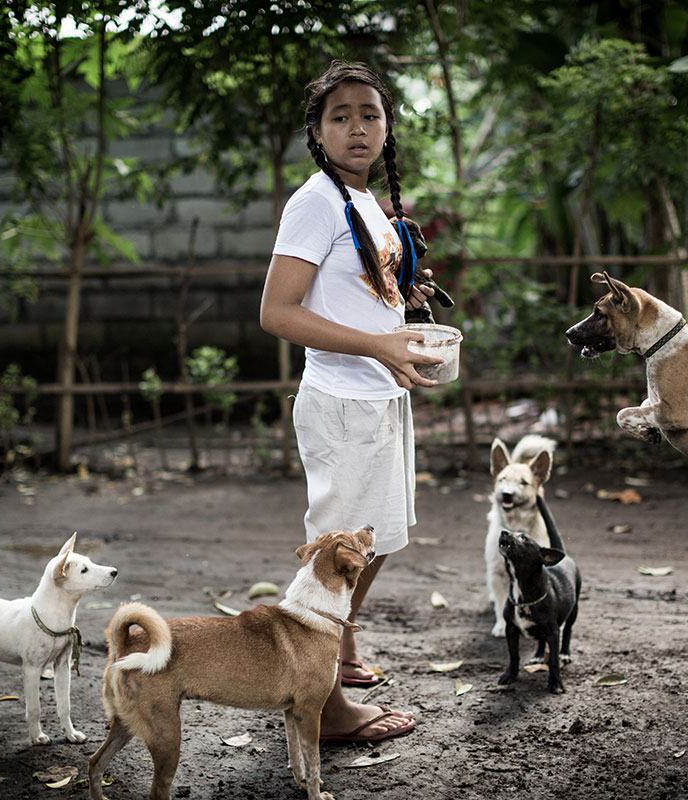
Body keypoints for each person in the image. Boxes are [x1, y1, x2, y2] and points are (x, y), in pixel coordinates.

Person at [260, 60, 438, 743]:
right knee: (333, 562)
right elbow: (277, 312)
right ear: (318, 131)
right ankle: (323, 710)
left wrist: (401, 303)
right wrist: (378, 346)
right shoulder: (315, 201)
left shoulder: (362, 201)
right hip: (342, 401)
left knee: (378, 539)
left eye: (370, 114)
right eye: (341, 116)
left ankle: (341, 647)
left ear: (387, 128)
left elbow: (359, 288)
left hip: (378, 394)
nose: (357, 127)